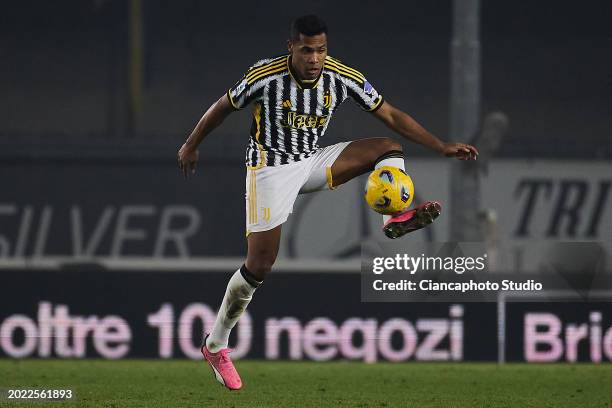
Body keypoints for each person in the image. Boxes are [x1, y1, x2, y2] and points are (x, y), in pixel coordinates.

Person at [177, 15, 478, 390]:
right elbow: (222, 106)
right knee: (260, 265)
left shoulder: (342, 76)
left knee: (387, 148)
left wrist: (440, 146)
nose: (314, 58)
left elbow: (390, 114)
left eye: (320, 50)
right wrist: (191, 143)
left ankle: (395, 216)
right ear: (291, 47)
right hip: (269, 169)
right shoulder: (264, 76)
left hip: (312, 160)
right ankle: (216, 344)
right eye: (306, 50)